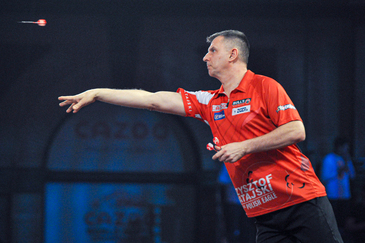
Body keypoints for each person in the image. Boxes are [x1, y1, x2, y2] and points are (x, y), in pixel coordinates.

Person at [59, 30, 343, 243]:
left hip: (300, 201)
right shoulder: (210, 101)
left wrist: (243, 147)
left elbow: (296, 130)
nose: (205, 57)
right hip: (263, 214)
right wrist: (97, 94)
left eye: (212, 50)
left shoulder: (264, 86)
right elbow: (153, 100)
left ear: (233, 54)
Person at [321, 136, 356, 230]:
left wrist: (348, 162)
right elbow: (324, 178)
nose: (346, 150)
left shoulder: (346, 159)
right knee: (334, 222)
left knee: (344, 220)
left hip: (345, 196)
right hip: (333, 196)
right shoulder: (328, 159)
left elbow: (352, 176)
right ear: (339, 147)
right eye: (345, 147)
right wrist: (338, 171)